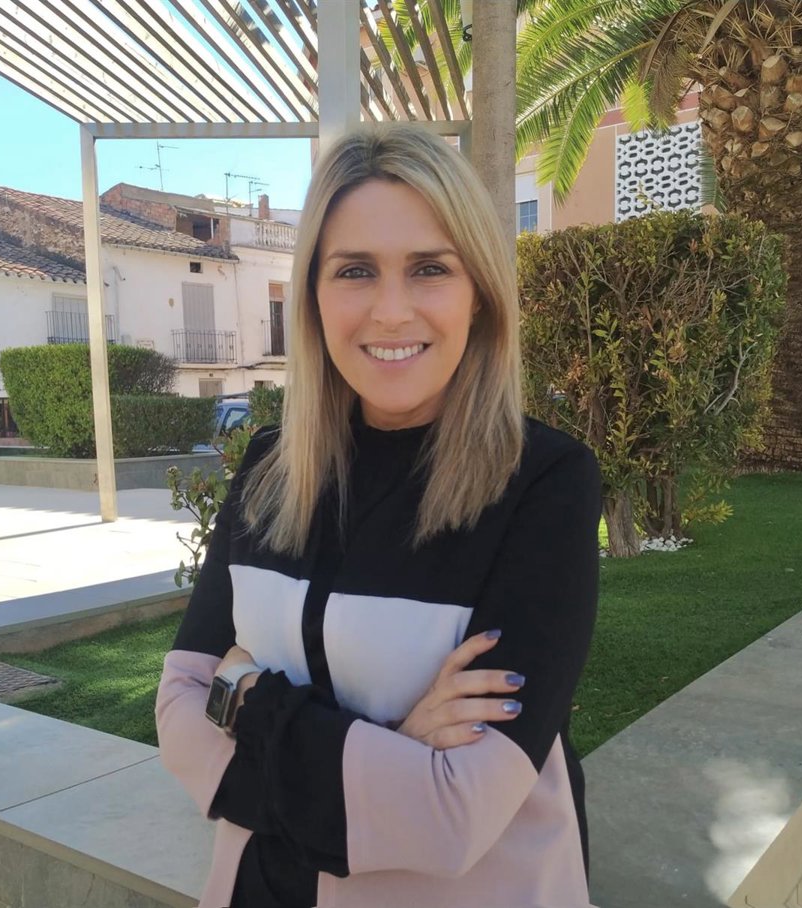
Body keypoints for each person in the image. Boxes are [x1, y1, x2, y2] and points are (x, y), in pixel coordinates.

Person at [156, 123, 601, 908]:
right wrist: (397, 747)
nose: (391, 312)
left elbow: (456, 815)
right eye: (355, 270)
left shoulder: (544, 483)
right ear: (314, 296)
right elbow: (177, 714)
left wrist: (244, 697)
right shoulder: (268, 470)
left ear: (479, 293)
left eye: (430, 269)